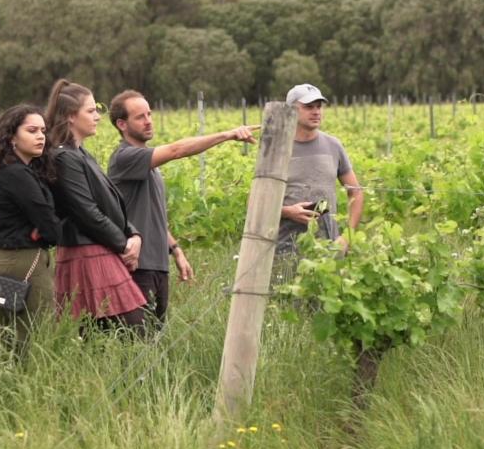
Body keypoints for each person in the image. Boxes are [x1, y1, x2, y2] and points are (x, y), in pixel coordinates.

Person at [107, 89, 257, 328]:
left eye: (149, 114)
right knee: (137, 340)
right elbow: (177, 151)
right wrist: (228, 134)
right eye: (140, 117)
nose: (148, 121)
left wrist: (176, 250)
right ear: (122, 124)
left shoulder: (148, 164)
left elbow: (152, 216)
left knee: (154, 338)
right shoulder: (125, 158)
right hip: (137, 266)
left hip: (157, 264)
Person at [43, 79, 148, 334]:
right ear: (70, 116)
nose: (98, 117)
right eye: (90, 111)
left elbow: (110, 202)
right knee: (130, 330)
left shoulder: (81, 154)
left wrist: (133, 234)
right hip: (86, 252)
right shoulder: (65, 157)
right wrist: (124, 244)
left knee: (104, 333)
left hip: (99, 248)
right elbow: (86, 211)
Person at [0, 104, 59, 357]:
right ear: (12, 136)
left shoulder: (3, 171)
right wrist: (42, 232)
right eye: (31, 130)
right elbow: (52, 229)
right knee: (33, 338)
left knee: (6, 337)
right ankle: (27, 390)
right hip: (22, 263)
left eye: (43, 130)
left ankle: (4, 390)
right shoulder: (18, 175)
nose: (40, 136)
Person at [274, 84, 365, 284]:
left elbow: (356, 193)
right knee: (286, 307)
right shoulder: (276, 149)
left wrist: (347, 236)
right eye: (309, 107)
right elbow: (257, 203)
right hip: (285, 249)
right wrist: (288, 211)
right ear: (290, 110)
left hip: (328, 248)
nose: (316, 112)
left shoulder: (334, 145)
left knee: (323, 307)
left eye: (319, 106)